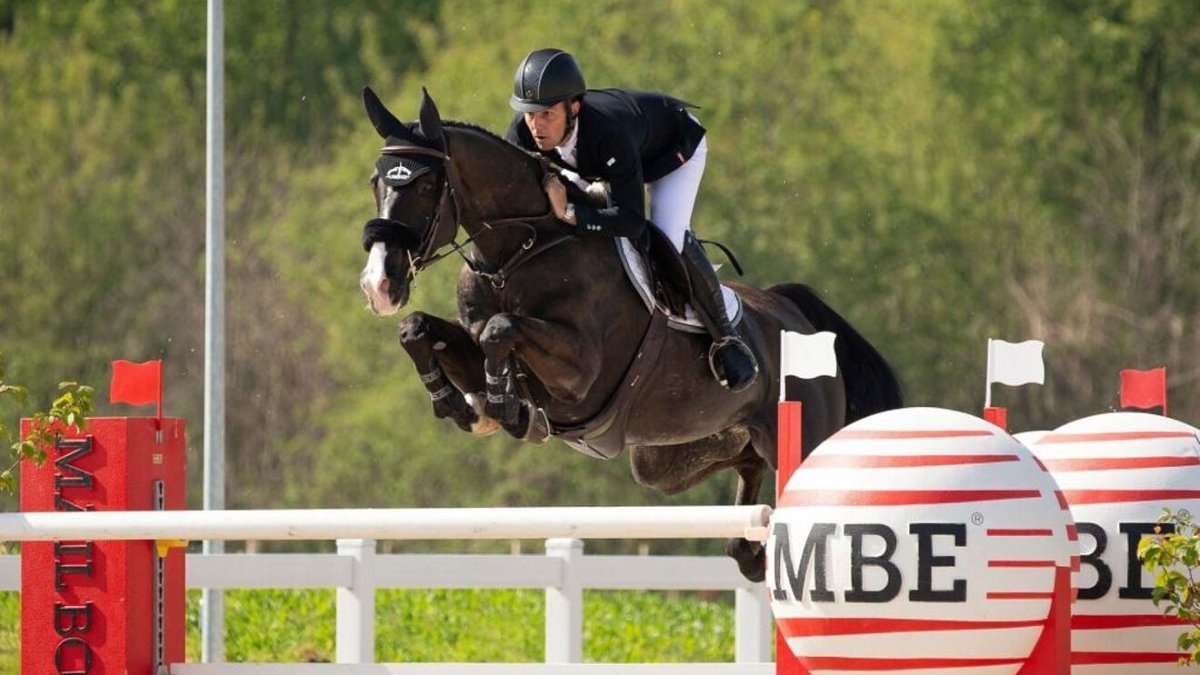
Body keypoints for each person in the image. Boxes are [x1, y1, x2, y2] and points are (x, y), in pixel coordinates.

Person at [505, 48, 758, 393]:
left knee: (668, 235)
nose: (535, 126)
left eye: (547, 114)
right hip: (606, 163)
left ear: (573, 107)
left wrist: (572, 213)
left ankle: (726, 337)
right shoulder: (524, 131)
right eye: (529, 114)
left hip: (670, 152)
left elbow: (631, 222)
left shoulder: (608, 132)